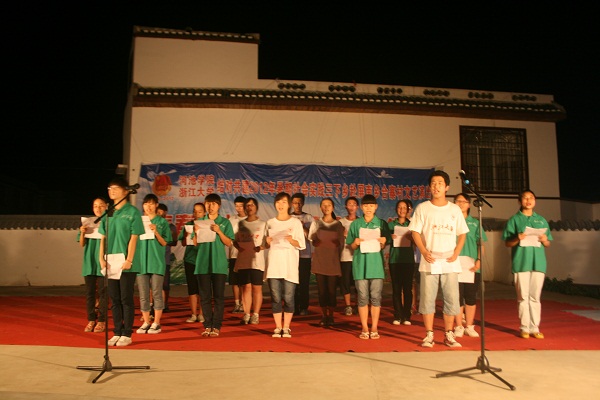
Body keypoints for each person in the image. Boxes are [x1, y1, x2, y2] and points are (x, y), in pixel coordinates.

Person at [408, 170, 469, 348]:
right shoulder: (423, 208)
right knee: (428, 298)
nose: (436, 186)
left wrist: (456, 252)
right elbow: (415, 231)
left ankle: (449, 333)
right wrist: (423, 250)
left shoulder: (454, 209)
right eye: (433, 183)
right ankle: (429, 334)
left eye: (440, 183)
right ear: (429, 187)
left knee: (451, 298)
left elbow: (462, 233)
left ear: (447, 187)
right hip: (430, 259)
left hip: (450, 260)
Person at [99, 177, 145, 347]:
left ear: (126, 191)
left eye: (116, 188)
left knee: (126, 298)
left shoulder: (132, 212)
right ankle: (117, 331)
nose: (112, 191)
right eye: (109, 188)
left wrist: (129, 259)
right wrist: (101, 258)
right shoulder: (108, 212)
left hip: (125, 262)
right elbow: (103, 237)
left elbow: (134, 237)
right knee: (114, 298)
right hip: (110, 261)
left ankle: (127, 333)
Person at [502, 189, 552, 339]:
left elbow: (548, 243)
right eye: (525, 198)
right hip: (521, 263)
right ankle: (524, 327)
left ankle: (535, 327)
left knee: (535, 297)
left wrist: (545, 240)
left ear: (535, 201)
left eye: (531, 198)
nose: (528, 201)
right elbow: (507, 243)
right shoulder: (514, 220)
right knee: (523, 297)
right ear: (519, 201)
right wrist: (517, 238)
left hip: (538, 263)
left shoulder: (541, 220)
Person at [345, 194, 390, 339]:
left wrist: (383, 242)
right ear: (361, 207)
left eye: (371, 205)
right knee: (362, 298)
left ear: (376, 207)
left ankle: (374, 327)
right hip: (360, 266)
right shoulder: (356, 224)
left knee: (376, 297)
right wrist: (355, 243)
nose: (368, 208)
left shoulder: (381, 223)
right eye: (365, 206)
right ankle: (364, 327)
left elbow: (384, 244)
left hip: (376, 266)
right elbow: (351, 246)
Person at [265, 192, 306, 338]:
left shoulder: (295, 223)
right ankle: (277, 327)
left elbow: (301, 244)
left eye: (283, 202)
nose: (280, 205)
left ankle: (287, 327)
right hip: (274, 264)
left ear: (289, 205)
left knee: (289, 297)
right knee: (275, 297)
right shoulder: (270, 222)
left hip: (289, 264)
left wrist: (291, 240)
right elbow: (265, 244)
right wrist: (267, 242)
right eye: (278, 202)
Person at [194, 193, 234, 337]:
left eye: (213, 204)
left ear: (219, 206)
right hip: (202, 264)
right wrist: (195, 233)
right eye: (208, 203)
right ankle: (207, 325)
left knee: (218, 297)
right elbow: (194, 243)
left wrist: (219, 231)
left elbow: (229, 242)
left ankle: (216, 326)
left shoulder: (224, 222)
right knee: (204, 297)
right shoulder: (200, 222)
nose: (210, 206)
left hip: (218, 264)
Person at [135, 194, 172, 335]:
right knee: (143, 294)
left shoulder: (162, 222)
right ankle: (146, 322)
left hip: (156, 262)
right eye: (146, 204)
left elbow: (165, 242)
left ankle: (156, 323)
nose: (148, 207)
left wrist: (156, 232)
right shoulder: (139, 222)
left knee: (156, 293)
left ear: (156, 205)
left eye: (151, 204)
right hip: (141, 262)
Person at [452, 193, 487, 338]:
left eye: (464, 201)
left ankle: (469, 326)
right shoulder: (450, 221)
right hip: (454, 263)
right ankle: (458, 326)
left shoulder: (475, 223)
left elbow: (481, 243)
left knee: (471, 296)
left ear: (469, 204)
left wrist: (479, 260)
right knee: (457, 297)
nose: (460, 203)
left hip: (471, 265)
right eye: (457, 201)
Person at [308, 198, 344, 327]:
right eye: (324, 205)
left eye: (329, 205)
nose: (326, 207)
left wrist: (338, 242)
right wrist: (315, 241)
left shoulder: (338, 225)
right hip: (320, 261)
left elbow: (342, 243)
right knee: (322, 291)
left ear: (333, 207)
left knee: (332, 291)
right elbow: (312, 238)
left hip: (333, 261)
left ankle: (331, 315)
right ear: (320, 208)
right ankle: (324, 315)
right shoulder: (316, 223)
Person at [233, 197, 267, 325]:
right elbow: (234, 240)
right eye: (247, 205)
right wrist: (238, 247)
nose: (249, 207)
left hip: (257, 261)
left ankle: (256, 314)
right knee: (245, 287)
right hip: (243, 260)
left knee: (256, 288)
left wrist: (261, 247)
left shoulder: (263, 224)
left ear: (256, 207)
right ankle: (246, 313)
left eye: (252, 205)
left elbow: (267, 242)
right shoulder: (241, 224)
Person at [78, 196, 109, 333]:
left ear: (106, 206)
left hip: (103, 262)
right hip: (89, 263)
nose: (98, 208)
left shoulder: (109, 222)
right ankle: (91, 319)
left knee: (103, 292)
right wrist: (82, 233)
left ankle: (101, 320)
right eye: (95, 206)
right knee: (90, 293)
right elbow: (82, 244)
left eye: (101, 205)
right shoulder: (88, 223)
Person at [387, 199, 415, 326]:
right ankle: (398, 315)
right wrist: (390, 237)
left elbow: (419, 241)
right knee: (396, 289)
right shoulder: (390, 225)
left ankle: (407, 315)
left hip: (408, 260)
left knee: (407, 289)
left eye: (404, 207)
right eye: (399, 207)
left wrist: (412, 238)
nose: (402, 210)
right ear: (396, 209)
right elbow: (384, 240)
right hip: (394, 260)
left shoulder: (412, 225)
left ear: (408, 210)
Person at [177, 202, 205, 323]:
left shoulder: (207, 225)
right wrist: (186, 235)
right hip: (190, 260)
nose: (197, 214)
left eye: (200, 211)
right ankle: (193, 314)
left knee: (203, 288)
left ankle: (202, 314)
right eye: (195, 211)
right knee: (192, 288)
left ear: (204, 213)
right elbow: (183, 243)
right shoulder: (188, 225)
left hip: (203, 260)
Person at [290, 192, 313, 316]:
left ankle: (304, 306)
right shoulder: (288, 217)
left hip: (305, 255)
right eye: (295, 203)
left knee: (304, 282)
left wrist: (302, 227)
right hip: (291, 255)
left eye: (299, 203)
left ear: (303, 203)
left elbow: (311, 237)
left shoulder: (308, 218)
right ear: (291, 204)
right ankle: (293, 306)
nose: (297, 205)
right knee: (292, 283)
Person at [339, 196, 359, 316]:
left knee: (358, 282)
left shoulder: (361, 222)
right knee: (345, 282)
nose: (351, 206)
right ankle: (348, 306)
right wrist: (342, 235)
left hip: (358, 257)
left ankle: (358, 304)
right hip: (345, 256)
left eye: (354, 204)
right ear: (346, 206)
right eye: (349, 204)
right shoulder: (341, 222)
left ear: (357, 207)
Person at [157, 203, 178, 313]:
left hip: (165, 259)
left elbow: (174, 242)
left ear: (165, 213)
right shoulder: (151, 226)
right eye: (158, 211)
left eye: (162, 212)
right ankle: (152, 304)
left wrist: (165, 239)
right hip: (154, 258)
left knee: (165, 284)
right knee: (153, 284)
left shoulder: (170, 227)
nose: (160, 214)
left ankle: (165, 304)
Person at [228, 196, 247, 314]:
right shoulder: (232, 220)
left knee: (244, 282)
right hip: (234, 254)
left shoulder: (249, 220)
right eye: (236, 206)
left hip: (246, 255)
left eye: (241, 205)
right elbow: (229, 236)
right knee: (234, 281)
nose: (238, 208)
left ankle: (244, 304)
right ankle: (236, 303)